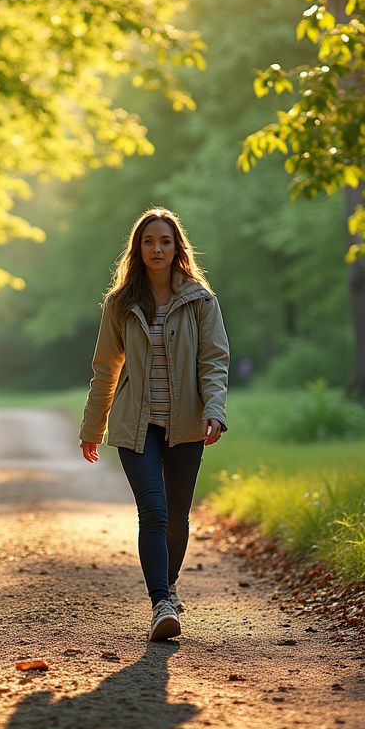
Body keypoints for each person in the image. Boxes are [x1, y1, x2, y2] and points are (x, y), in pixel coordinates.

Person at [79, 207, 229, 642]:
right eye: (148, 242)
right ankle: (161, 601)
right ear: (138, 249)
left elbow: (214, 361)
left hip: (186, 423)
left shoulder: (201, 300)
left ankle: (170, 586)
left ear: (177, 247)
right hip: (136, 423)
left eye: (165, 241)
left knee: (178, 517)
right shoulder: (120, 304)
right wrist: (93, 427)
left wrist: (215, 410)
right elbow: (105, 369)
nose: (157, 249)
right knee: (155, 512)